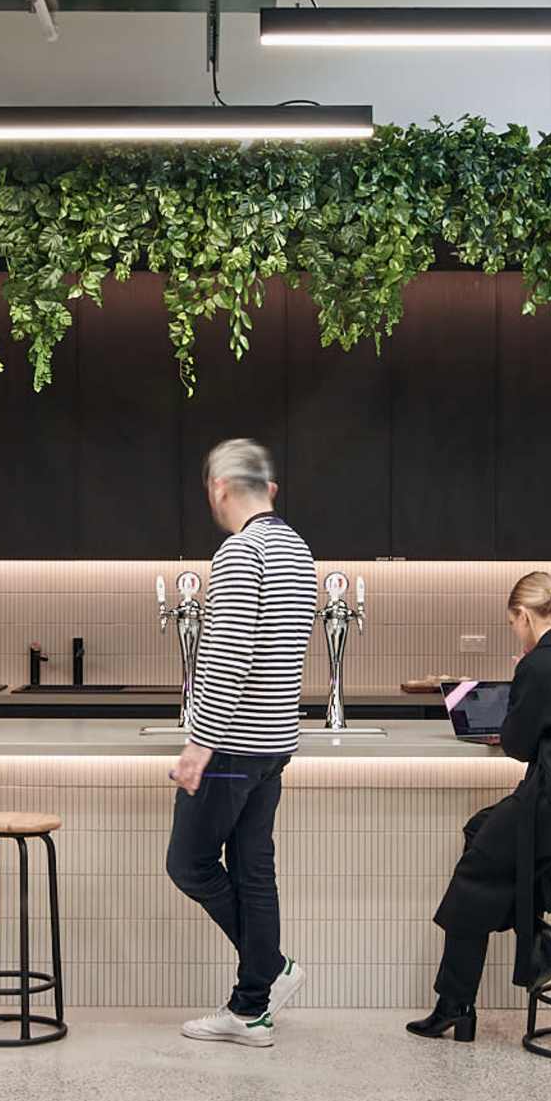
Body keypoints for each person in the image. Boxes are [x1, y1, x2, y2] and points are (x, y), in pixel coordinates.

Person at [411, 571, 551, 1041]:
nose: (515, 630)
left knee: (474, 874)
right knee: (482, 828)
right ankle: (530, 924)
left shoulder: (539, 664)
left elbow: (516, 745)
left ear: (523, 616)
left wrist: (521, 695)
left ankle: (456, 1003)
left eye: (513, 622)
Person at [166, 436, 316, 1046]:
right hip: (276, 740)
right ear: (271, 489)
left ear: (219, 488)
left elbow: (230, 655)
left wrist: (200, 744)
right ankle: (253, 1007)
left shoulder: (239, 552)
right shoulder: (297, 548)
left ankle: (268, 972)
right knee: (253, 869)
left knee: (190, 863)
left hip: (232, 742)